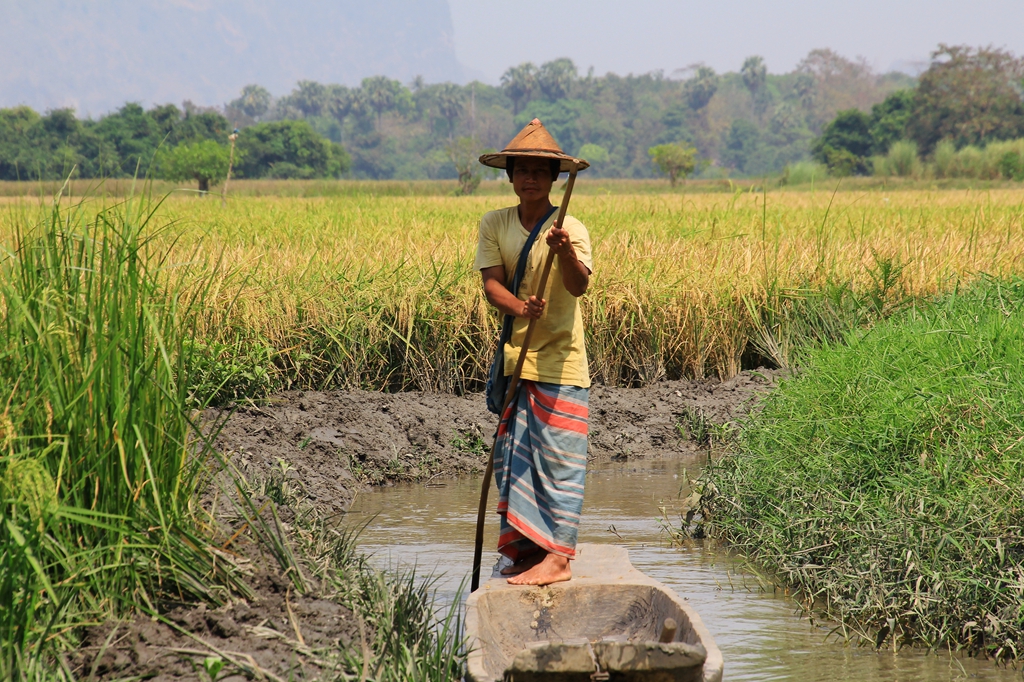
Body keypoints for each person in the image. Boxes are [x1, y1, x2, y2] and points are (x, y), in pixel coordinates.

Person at [474, 119, 592, 586]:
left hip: (561, 360)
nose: (530, 179)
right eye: (522, 170)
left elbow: (579, 285)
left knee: (560, 459)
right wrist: (523, 307)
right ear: (510, 176)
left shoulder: (570, 226)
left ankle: (558, 558)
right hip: (516, 360)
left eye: (540, 172)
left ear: (554, 179)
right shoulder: (495, 223)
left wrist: (562, 251)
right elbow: (491, 285)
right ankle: (525, 551)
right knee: (515, 459)